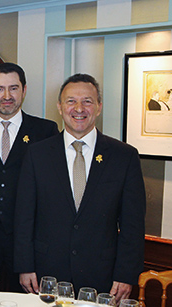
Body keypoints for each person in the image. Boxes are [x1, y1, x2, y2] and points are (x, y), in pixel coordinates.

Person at [14, 73, 145, 302]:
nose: (79, 108)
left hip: (102, 276)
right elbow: (24, 216)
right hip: (46, 274)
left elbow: (132, 225)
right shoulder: (37, 154)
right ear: (60, 106)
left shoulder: (124, 156)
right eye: (71, 101)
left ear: (99, 107)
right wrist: (25, 266)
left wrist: (126, 274)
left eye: (87, 101)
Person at [0, 63, 58, 292]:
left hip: (27, 241)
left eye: (13, 88)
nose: (6, 96)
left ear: (24, 90)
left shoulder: (45, 132)